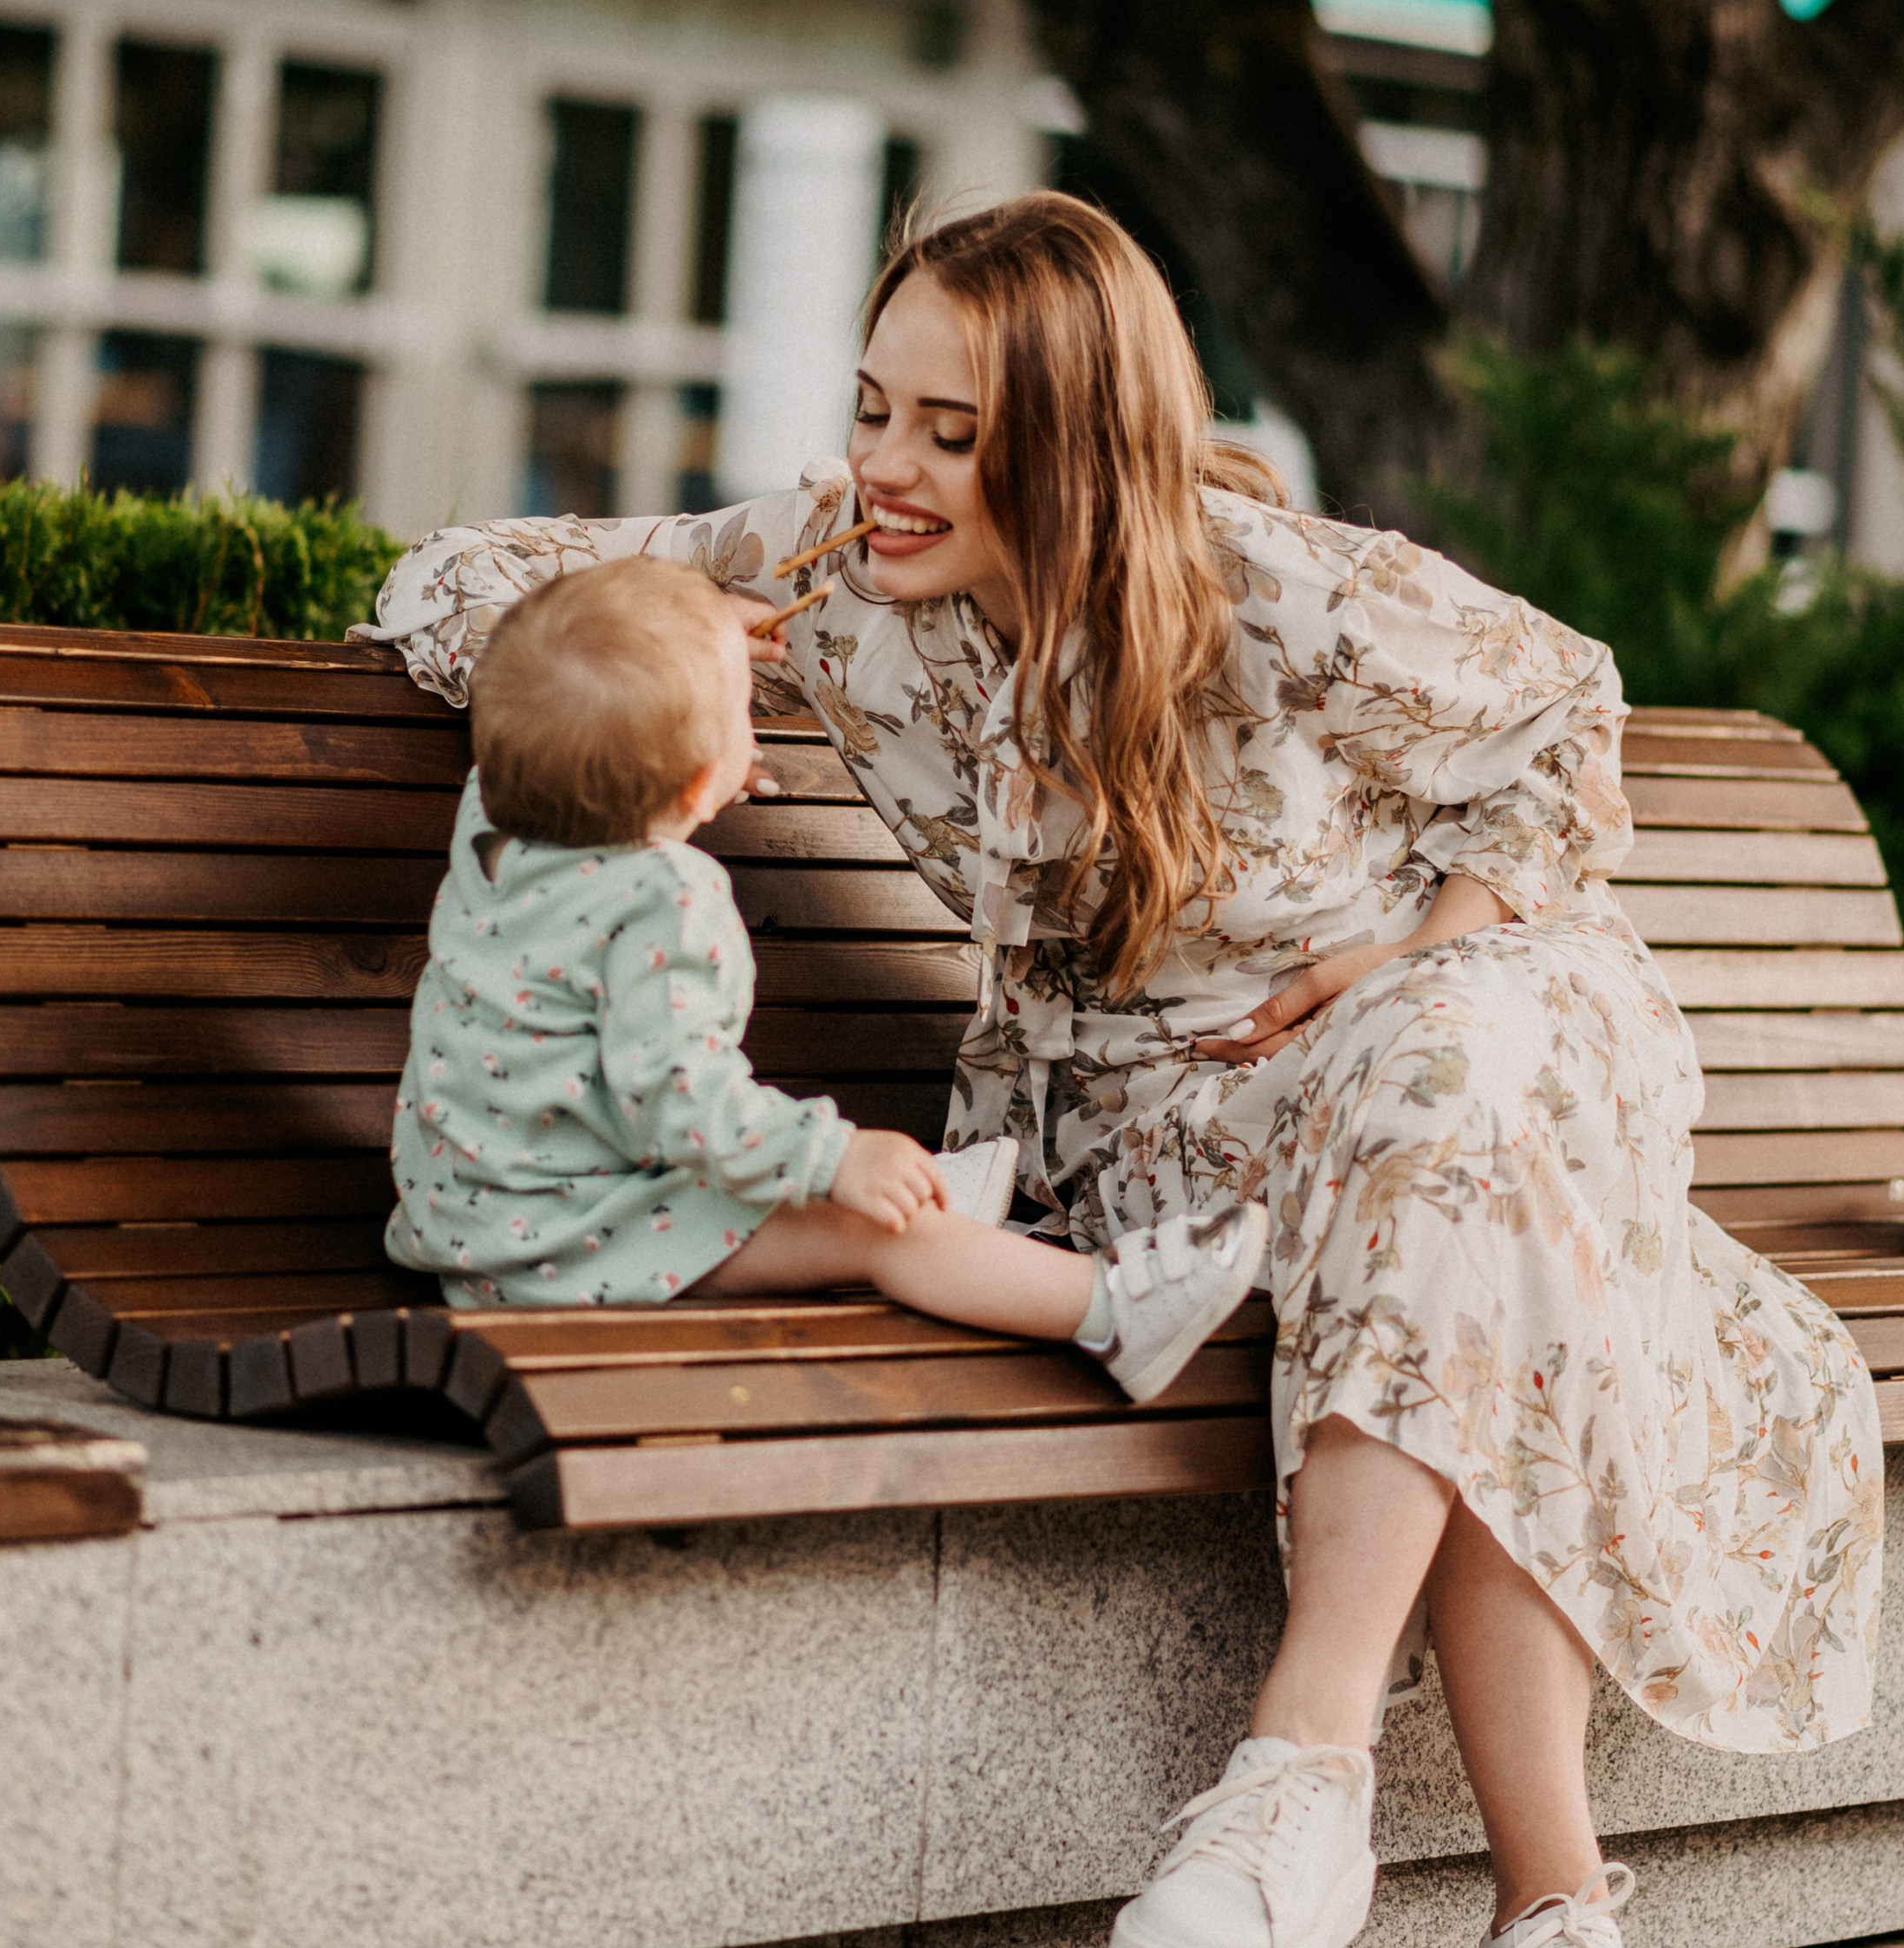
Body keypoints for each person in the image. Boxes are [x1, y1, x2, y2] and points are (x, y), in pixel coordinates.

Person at [372, 192, 1882, 1948]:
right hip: (1197, 1144)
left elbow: (1561, 719)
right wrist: (677, 627)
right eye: (872, 408)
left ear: (1076, 443)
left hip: (1471, 1031)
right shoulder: (839, 565)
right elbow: (451, 584)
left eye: (950, 429)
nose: (884, 468)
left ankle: (1302, 1762)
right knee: (1479, 1266)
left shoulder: (1271, 591)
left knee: (1450, 1106)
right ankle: (1552, 1926)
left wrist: (1402, 949)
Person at [385, 549, 1268, 1394]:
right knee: (883, 1232)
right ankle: (1111, 1310)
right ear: (702, 787)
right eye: (739, 714)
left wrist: (700, 647)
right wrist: (834, 1157)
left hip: (481, 1228)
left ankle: (938, 1192)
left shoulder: (493, 829)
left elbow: (564, 697)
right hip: (574, 1256)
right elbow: (681, 1101)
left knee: (871, 1201)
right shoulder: (663, 901)